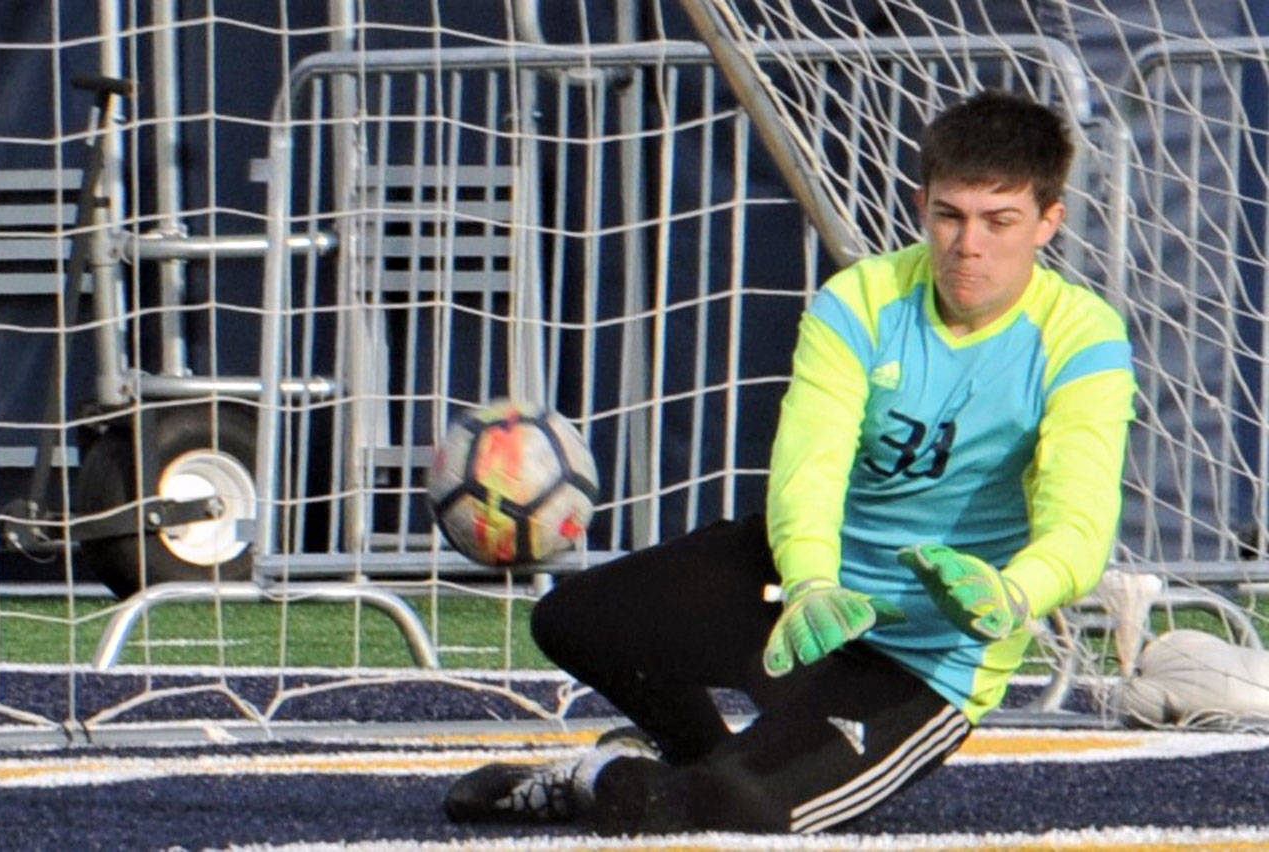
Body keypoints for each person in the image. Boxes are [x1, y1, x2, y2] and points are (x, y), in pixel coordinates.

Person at [442, 89, 1136, 835]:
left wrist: (1013, 593)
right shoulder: (861, 299)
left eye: (999, 222)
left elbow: (1081, 522)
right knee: (576, 620)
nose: (969, 245)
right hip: (806, 600)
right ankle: (688, 764)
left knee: (739, 811)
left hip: (918, 659)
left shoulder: (1083, 341)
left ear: (1048, 222)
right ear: (920, 205)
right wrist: (810, 582)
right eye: (950, 216)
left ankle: (612, 777)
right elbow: (809, 466)